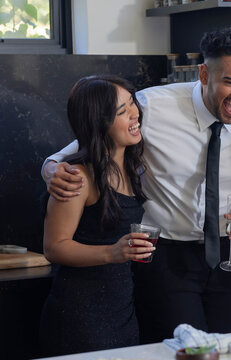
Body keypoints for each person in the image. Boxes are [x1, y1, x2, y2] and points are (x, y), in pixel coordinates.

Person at [41, 28, 231, 341]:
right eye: (230, 82)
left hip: (226, 253)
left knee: (221, 346)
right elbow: (83, 143)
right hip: (166, 254)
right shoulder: (151, 106)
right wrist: (51, 169)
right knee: (182, 347)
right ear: (205, 74)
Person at [39, 75, 155, 356]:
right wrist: (112, 253)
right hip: (81, 314)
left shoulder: (131, 166)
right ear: (99, 122)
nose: (135, 113)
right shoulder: (78, 175)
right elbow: (54, 247)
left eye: (132, 103)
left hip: (121, 307)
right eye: (122, 111)